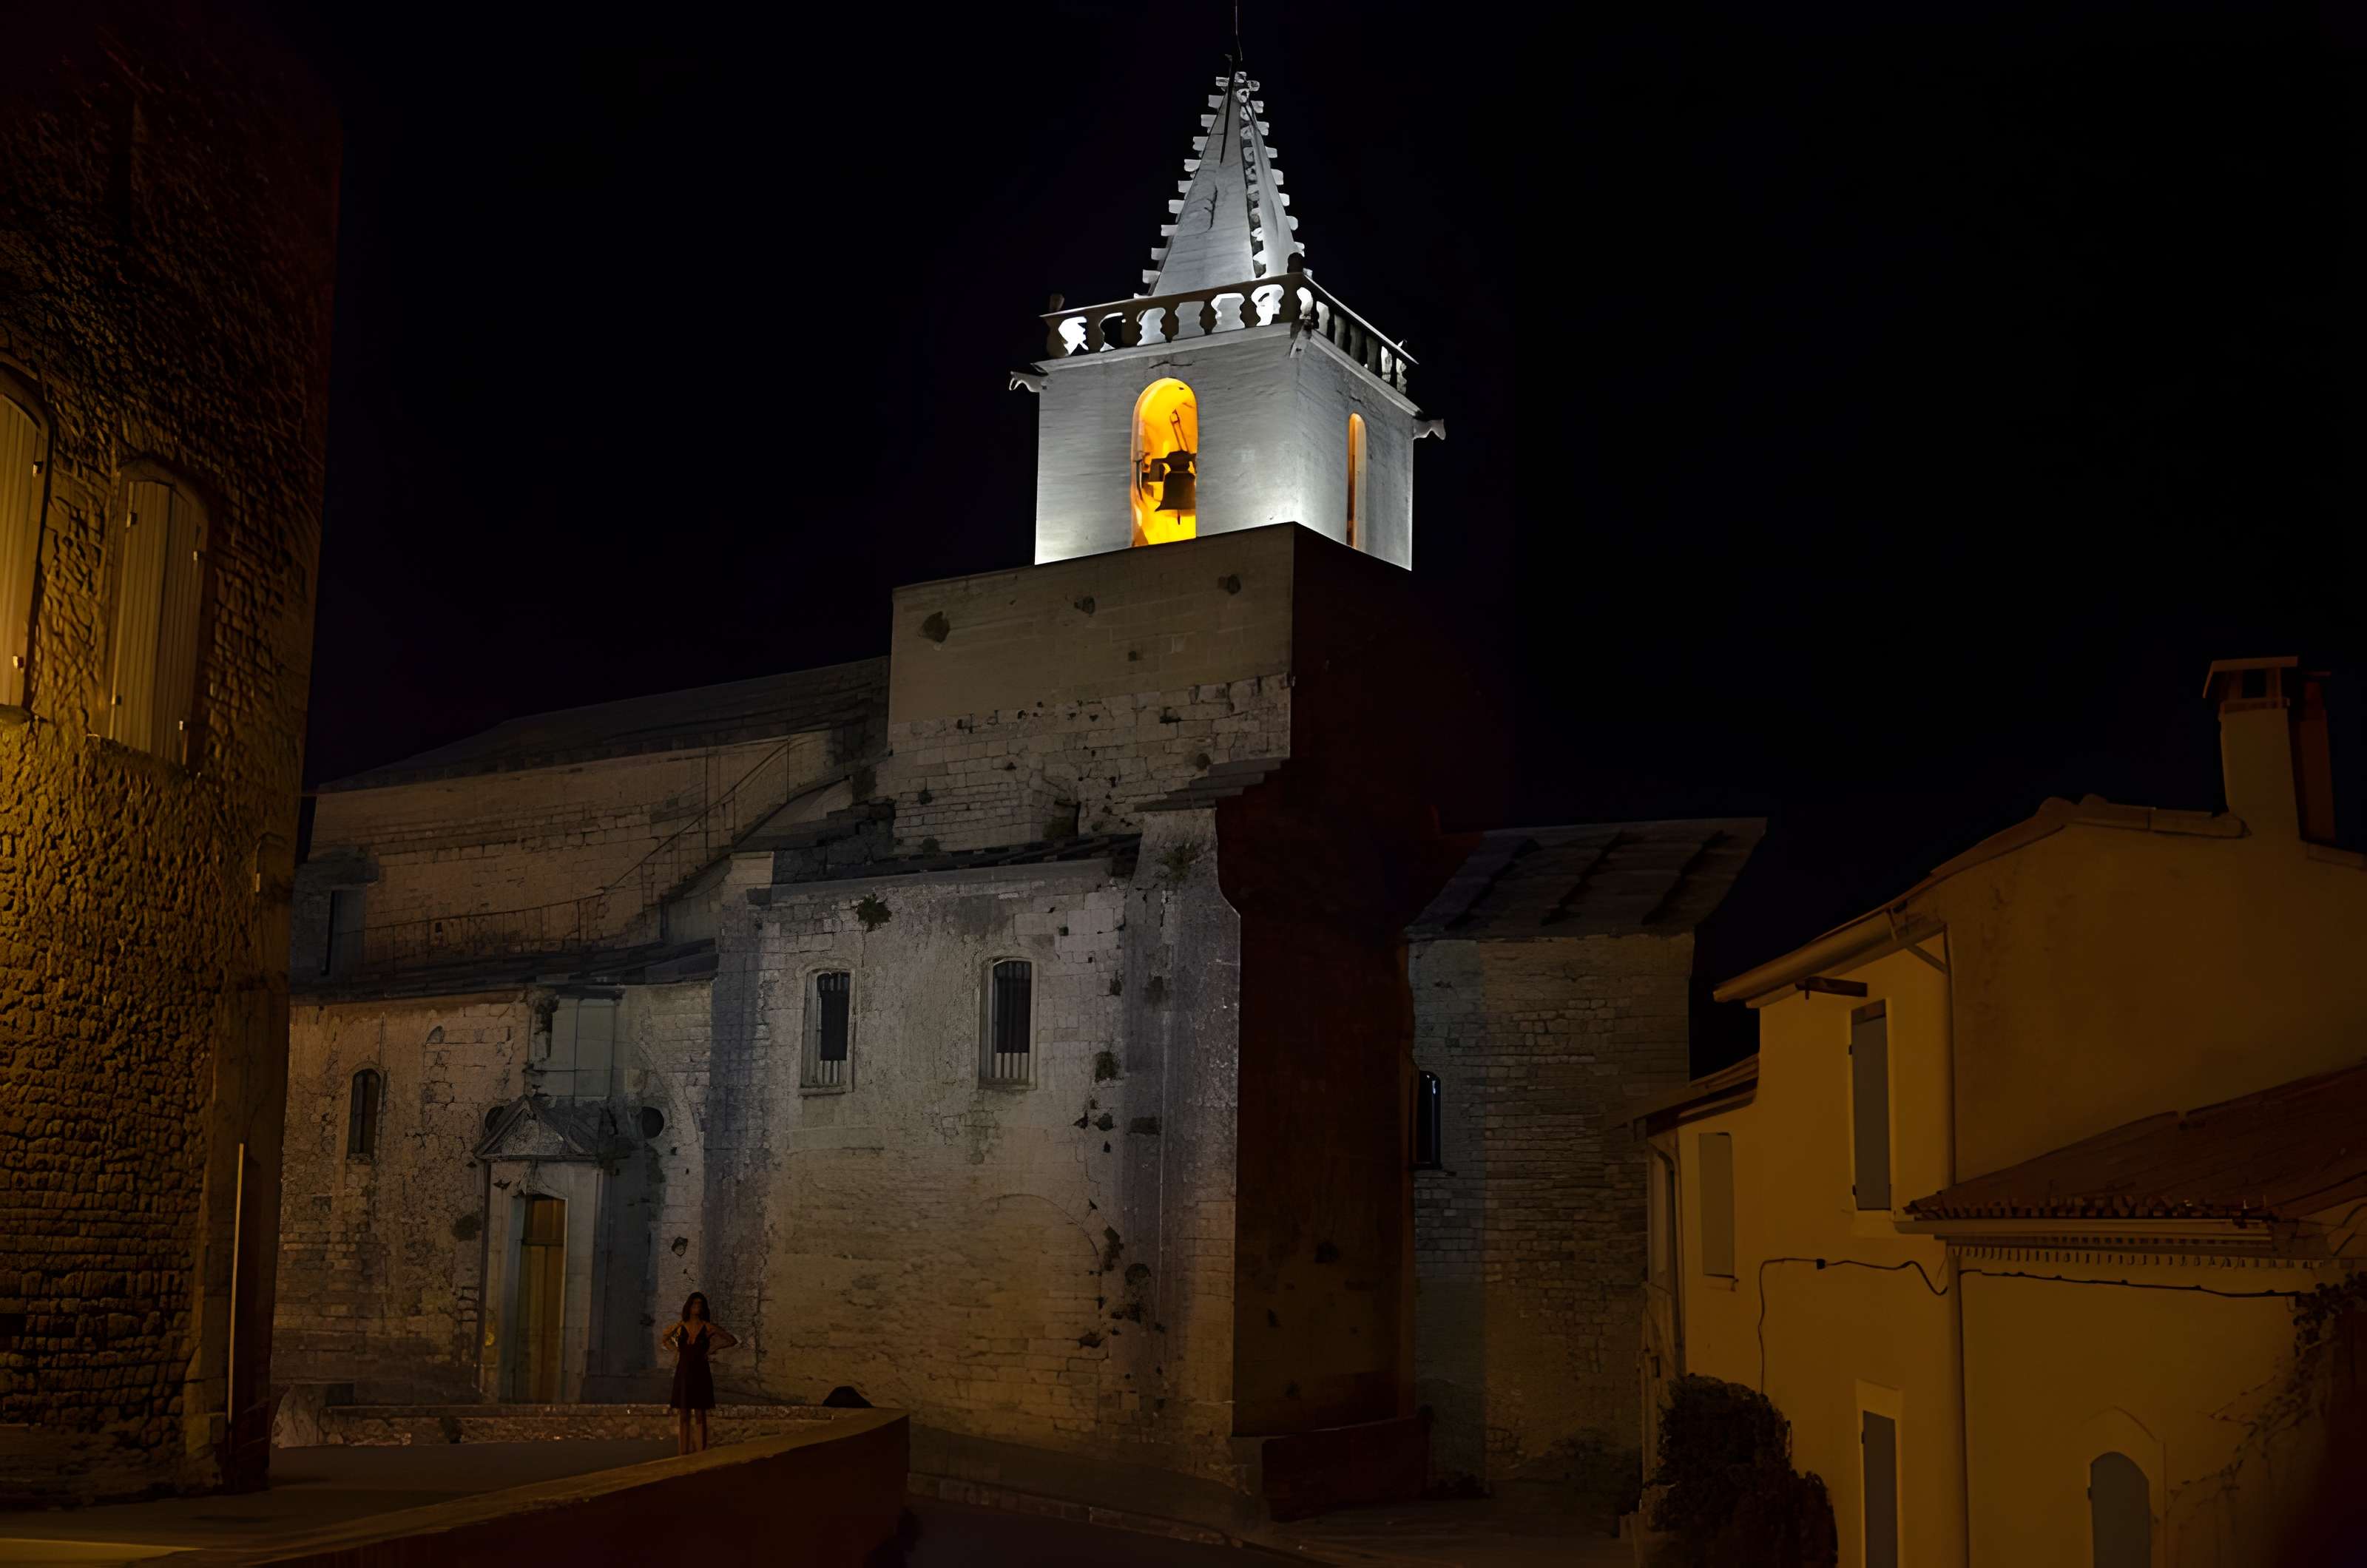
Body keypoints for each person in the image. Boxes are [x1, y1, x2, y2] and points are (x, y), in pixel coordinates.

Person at [660, 1291, 737, 1455]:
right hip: (684, 1370)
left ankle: (701, 1452)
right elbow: (666, 1341)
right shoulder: (681, 1327)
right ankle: (683, 1453)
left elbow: (731, 1340)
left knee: (700, 1413)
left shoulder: (707, 1327)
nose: (697, 1307)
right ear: (689, 1306)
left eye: (700, 1304)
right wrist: (679, 1351)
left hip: (700, 1370)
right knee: (684, 1413)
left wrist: (711, 1350)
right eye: (695, 1303)